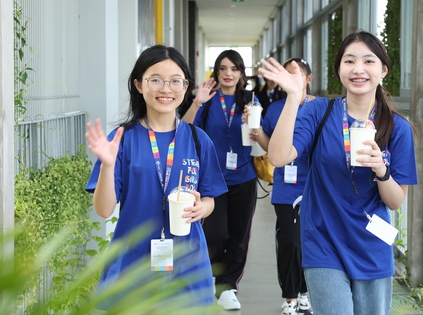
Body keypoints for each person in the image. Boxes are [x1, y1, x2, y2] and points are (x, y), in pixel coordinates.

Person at [258, 31, 418, 315]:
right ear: (339, 70)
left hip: (372, 245)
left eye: (368, 61)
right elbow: (279, 157)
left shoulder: (397, 128)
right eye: (349, 61)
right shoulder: (319, 112)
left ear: (383, 71)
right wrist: (294, 98)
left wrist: (381, 169)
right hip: (323, 242)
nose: (358, 69)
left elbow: (395, 201)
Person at [84, 45, 228, 312]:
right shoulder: (121, 140)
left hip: (188, 264)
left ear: (186, 87)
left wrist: (202, 207)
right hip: (133, 265)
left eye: (176, 81)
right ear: (139, 84)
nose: (166, 89)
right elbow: (104, 210)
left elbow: (210, 198)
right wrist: (107, 165)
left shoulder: (198, 140)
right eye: (156, 80)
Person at [182, 49, 260, 311]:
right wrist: (197, 102)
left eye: (234, 69)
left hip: (244, 176)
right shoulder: (207, 99)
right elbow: (184, 130)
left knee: (239, 236)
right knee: (215, 234)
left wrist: (256, 127)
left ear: (241, 74)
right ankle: (211, 276)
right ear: (216, 73)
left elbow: (262, 141)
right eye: (223, 68)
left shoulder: (251, 100)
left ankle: (227, 286)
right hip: (212, 178)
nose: (228, 74)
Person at [246, 58, 315, 315]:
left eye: (294, 74)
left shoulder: (321, 108)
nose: (288, 79)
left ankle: (306, 291)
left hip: (315, 189)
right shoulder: (275, 109)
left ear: (308, 79)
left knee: (311, 243)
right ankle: (290, 298)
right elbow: (270, 147)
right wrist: (256, 129)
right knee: (291, 243)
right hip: (286, 187)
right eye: (284, 74)